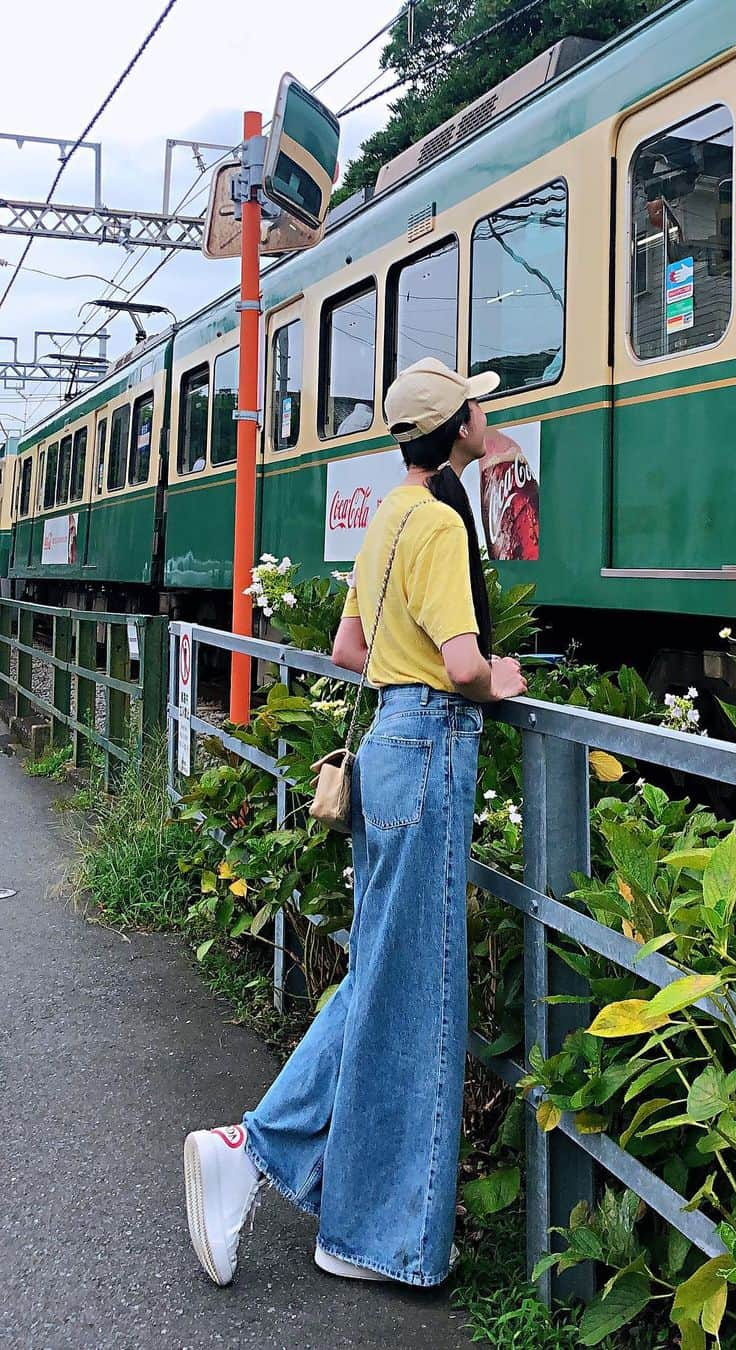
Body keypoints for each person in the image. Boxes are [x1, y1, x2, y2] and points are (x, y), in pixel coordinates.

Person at [183, 357, 528, 1289]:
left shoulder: (387, 517)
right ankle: (273, 1164)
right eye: (475, 404)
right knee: (417, 990)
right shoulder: (444, 522)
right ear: (454, 426)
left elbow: (347, 649)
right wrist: (501, 677)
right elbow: (463, 665)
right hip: (429, 746)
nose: (483, 412)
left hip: (385, 749)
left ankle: (337, 1212)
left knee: (386, 975)